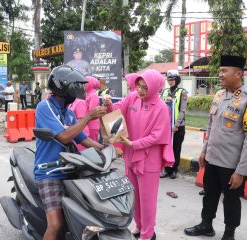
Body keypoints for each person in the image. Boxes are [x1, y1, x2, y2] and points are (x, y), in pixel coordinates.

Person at [34, 65, 122, 240]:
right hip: (49, 172)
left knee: (88, 214)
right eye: (76, 86)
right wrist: (88, 117)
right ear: (63, 88)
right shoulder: (45, 107)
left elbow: (82, 139)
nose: (79, 90)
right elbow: (65, 137)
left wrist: (106, 149)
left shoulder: (68, 113)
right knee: (56, 224)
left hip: (72, 169)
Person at [184, 55, 247, 240]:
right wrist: (204, 151)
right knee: (209, 195)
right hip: (212, 159)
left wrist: (241, 171)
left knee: (231, 200)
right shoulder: (219, 95)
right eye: (220, 71)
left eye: (224, 71)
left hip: (231, 165)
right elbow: (211, 127)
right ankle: (206, 225)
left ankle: (229, 233)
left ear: (238, 74)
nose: (220, 74)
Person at [103, 69, 175, 240]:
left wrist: (134, 144)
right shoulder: (133, 98)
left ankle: (148, 233)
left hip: (149, 159)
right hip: (130, 154)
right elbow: (119, 111)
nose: (140, 90)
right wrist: (110, 106)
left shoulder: (162, 108)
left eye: (145, 88)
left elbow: (157, 136)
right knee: (134, 195)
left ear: (155, 88)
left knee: (148, 199)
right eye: (139, 86)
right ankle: (140, 225)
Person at [160, 70, 188, 179]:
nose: (170, 81)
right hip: (166, 126)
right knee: (167, 148)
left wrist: (176, 125)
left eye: (172, 79)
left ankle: (174, 170)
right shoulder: (165, 91)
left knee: (176, 148)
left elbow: (182, 110)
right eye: (169, 79)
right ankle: (167, 169)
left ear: (177, 80)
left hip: (177, 127)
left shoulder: (182, 92)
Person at [85, 75, 101, 142]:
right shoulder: (88, 94)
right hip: (87, 122)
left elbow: (92, 111)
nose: (84, 85)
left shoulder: (93, 95)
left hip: (92, 125)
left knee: (92, 144)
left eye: (85, 83)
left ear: (90, 84)